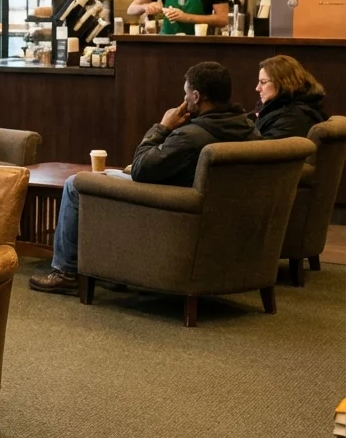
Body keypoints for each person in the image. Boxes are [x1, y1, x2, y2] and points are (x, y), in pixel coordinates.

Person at [29, 61, 258, 294]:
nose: (185, 100)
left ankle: (66, 272)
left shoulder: (191, 137)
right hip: (223, 223)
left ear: (197, 96)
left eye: (186, 94)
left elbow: (140, 168)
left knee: (75, 184)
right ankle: (106, 268)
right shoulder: (250, 131)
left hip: (171, 211)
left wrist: (162, 127)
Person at [255, 55, 327, 139]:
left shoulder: (291, 119)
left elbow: (260, 149)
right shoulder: (275, 108)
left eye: (263, 82)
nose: (257, 88)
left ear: (283, 83)